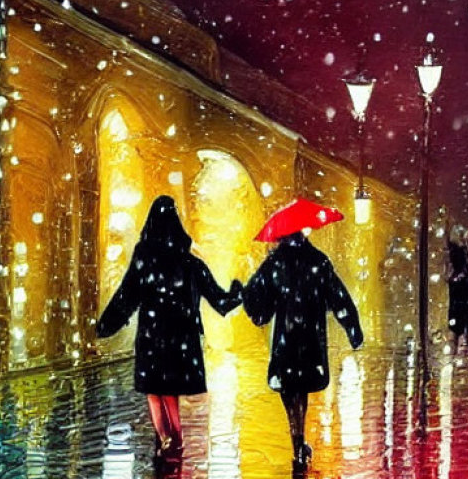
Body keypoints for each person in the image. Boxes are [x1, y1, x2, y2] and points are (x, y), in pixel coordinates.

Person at [95, 195, 242, 462]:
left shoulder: (145, 258)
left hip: (153, 336)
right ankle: (173, 440)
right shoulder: (188, 262)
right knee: (170, 390)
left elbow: (127, 295)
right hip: (179, 336)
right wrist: (236, 293)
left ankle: (166, 438)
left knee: (155, 390)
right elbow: (219, 299)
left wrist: (107, 324)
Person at [243, 229, 363, 471]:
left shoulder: (275, 262)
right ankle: (299, 439)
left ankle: (297, 438)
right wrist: (353, 328)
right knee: (301, 388)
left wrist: (249, 298)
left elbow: (257, 298)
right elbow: (338, 296)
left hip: (286, 337)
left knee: (289, 388)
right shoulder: (318, 260)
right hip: (310, 336)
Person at [446, 227, 468, 351]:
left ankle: (462, 340)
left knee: (463, 317)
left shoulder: (461, 252)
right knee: (461, 317)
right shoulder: (459, 252)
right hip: (460, 290)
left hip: (462, 290)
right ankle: (460, 340)